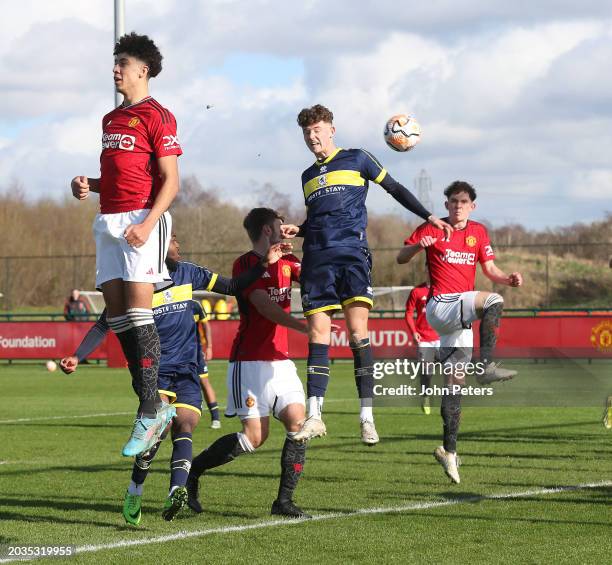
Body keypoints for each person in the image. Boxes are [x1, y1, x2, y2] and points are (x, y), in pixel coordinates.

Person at [60, 233, 290, 524]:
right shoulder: (136, 285)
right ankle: (135, 489)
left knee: (186, 423)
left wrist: (263, 265)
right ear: (155, 247)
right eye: (172, 240)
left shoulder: (188, 272)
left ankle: (176, 491)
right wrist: (78, 356)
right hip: (154, 372)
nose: (178, 245)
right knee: (157, 432)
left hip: (187, 370)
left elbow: (232, 286)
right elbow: (104, 323)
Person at [281, 104, 453, 445]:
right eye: (306, 132)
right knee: (318, 333)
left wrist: (428, 215)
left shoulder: (359, 158)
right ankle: (315, 415)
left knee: (358, 332)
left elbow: (396, 188)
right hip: (316, 258)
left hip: (352, 256)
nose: (312, 136)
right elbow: (319, 221)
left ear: (331, 129)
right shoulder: (307, 177)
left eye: (317, 129)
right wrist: (297, 230)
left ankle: (366, 417)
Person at [70, 33, 182, 458]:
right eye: (115, 62)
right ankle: (152, 405)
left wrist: (149, 223)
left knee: (138, 313)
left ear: (144, 70)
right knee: (118, 320)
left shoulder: (159, 116)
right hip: (109, 221)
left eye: (123, 63)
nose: (116, 69)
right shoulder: (110, 119)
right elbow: (117, 176)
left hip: (141, 219)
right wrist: (89, 184)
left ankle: (151, 407)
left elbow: (170, 181)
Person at [187, 208, 316, 519]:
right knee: (254, 438)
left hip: (281, 361)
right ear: (267, 229)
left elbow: (316, 279)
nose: (284, 226)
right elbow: (263, 306)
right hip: (249, 362)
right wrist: (303, 327)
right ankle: (192, 472)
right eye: (278, 223)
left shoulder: (288, 261)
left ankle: (283, 501)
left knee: (299, 424)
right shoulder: (245, 264)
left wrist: (312, 244)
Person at [397, 180, 523, 483]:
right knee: (493, 300)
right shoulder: (432, 228)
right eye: (453, 201)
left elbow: (490, 270)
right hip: (440, 305)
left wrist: (508, 278)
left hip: (460, 315)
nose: (458, 206)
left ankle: (449, 452)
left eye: (463, 202)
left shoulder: (478, 232)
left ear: (472, 206)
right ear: (446, 205)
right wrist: (418, 246)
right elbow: (401, 258)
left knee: (455, 385)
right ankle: (487, 365)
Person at [405, 280, 440, 415]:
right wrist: (413, 332)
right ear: (426, 269)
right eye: (429, 267)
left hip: (442, 336)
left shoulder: (444, 288)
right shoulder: (417, 291)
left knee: (451, 367)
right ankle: (425, 395)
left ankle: (452, 400)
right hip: (424, 338)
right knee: (427, 371)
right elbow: (408, 313)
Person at [193, 300, 221, 429]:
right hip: (176, 352)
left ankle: (215, 418)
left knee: (204, 382)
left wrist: (209, 347)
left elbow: (206, 325)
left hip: (195, 352)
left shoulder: (195, 305)